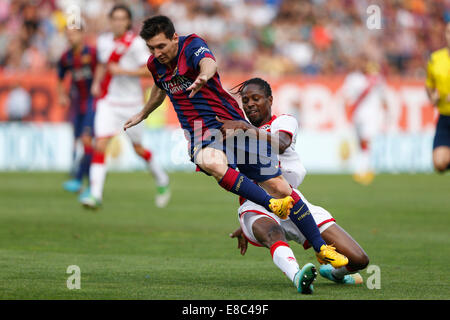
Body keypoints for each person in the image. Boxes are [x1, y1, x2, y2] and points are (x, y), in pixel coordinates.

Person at [124, 15, 348, 267]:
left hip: (230, 123)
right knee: (212, 162)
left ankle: (321, 249)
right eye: (151, 48)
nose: (157, 53)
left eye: (161, 46)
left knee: (283, 189)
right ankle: (271, 205)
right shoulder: (155, 64)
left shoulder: (192, 45)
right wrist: (143, 113)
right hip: (201, 131)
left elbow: (209, 63)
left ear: (174, 38)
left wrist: (203, 77)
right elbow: (160, 86)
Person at [227, 78, 369, 289]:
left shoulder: (283, 121)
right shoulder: (238, 133)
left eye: (256, 98)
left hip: (293, 200)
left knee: (358, 260)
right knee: (272, 233)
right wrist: (248, 225)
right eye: (245, 100)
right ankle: (297, 276)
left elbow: (282, 144)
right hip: (256, 204)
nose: (249, 104)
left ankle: (334, 273)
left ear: (270, 99)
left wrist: (247, 130)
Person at [80, 4, 170, 209]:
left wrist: (122, 71)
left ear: (128, 22)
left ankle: (162, 179)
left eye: (122, 19)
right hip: (109, 102)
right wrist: (97, 81)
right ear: (110, 20)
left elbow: (150, 71)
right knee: (100, 143)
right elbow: (104, 65)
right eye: (115, 18)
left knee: (138, 149)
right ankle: (95, 195)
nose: (118, 22)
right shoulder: (103, 41)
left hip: (132, 104)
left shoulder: (137, 44)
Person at [57, 25, 96, 195]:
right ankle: (83, 181)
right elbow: (59, 77)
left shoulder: (92, 53)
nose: (70, 38)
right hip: (77, 103)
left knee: (87, 140)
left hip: (94, 102)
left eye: (73, 34)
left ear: (82, 34)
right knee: (81, 141)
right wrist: (61, 95)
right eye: (68, 35)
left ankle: (85, 182)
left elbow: (104, 70)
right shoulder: (66, 57)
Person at [340, 57, 388, 185]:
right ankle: (362, 168)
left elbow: (384, 98)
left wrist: (385, 116)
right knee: (360, 143)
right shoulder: (354, 78)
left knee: (366, 142)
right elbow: (346, 95)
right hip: (357, 115)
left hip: (370, 116)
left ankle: (363, 170)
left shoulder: (377, 80)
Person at [426, 22, 450, 173]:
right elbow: (429, 85)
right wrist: (432, 96)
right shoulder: (436, 59)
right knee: (439, 163)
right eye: (448, 32)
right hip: (445, 116)